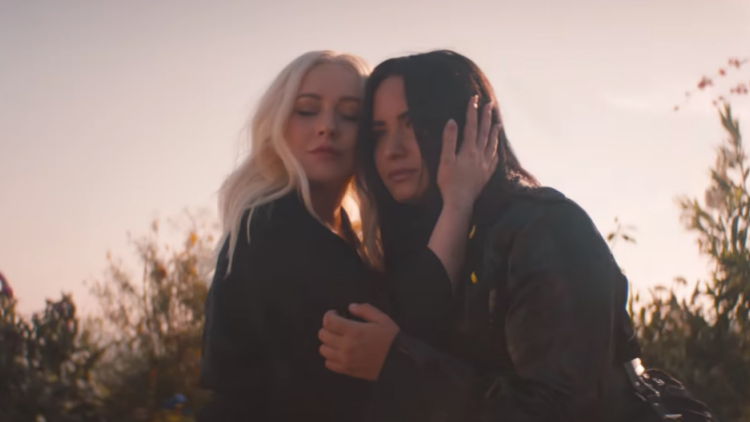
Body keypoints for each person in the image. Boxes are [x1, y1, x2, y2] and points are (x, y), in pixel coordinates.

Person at [318, 50, 655, 422]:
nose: (392, 150)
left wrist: (398, 364)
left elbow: (559, 410)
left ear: (469, 126)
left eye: (413, 125)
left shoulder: (546, 229)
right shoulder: (416, 247)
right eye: (379, 133)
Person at [197, 50, 498, 422]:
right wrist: (458, 202)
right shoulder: (269, 227)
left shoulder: (340, 230)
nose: (328, 126)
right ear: (278, 124)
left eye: (351, 115)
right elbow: (409, 329)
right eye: (307, 110)